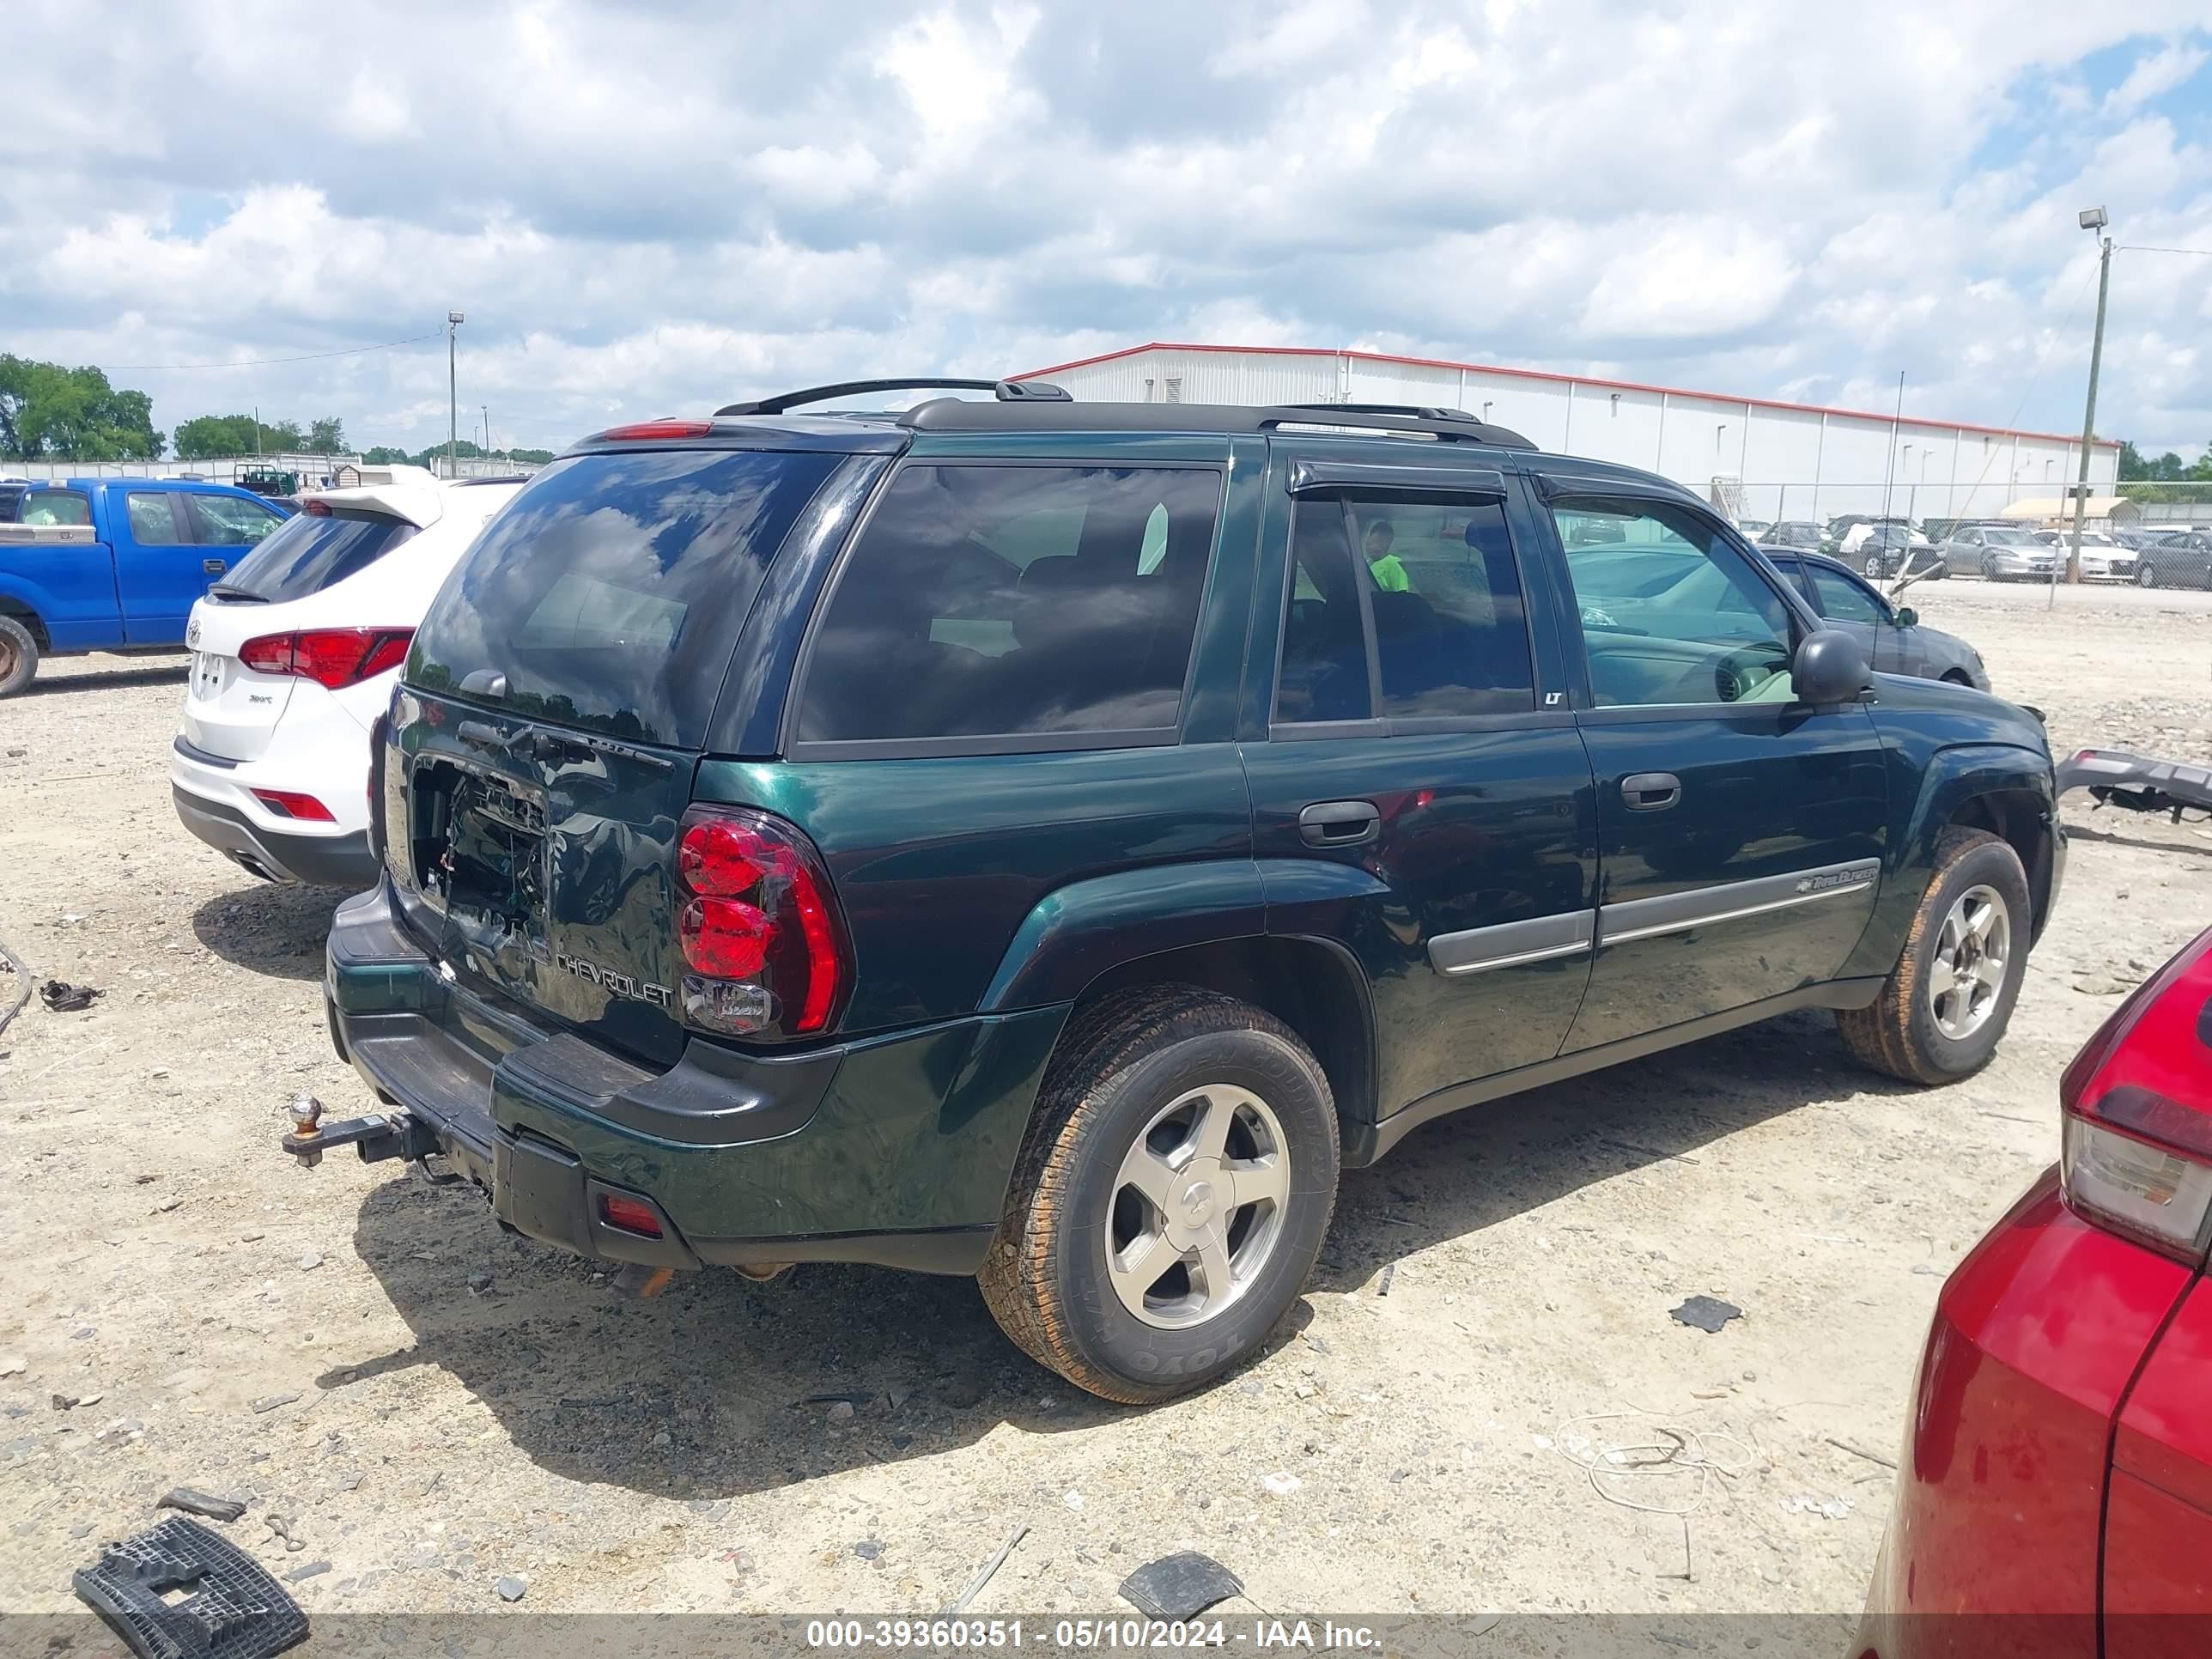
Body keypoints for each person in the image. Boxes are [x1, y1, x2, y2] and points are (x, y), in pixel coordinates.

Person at [1364, 518, 1411, 591]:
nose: (1367, 548)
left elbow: (1402, 592)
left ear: (1384, 545)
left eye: (1370, 544)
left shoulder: (1393, 564)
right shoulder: (1368, 563)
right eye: (1367, 544)